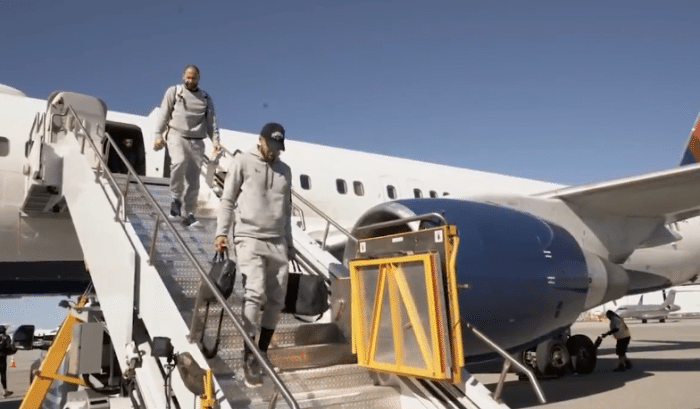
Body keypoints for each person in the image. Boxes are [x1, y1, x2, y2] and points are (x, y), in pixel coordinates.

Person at [214, 122, 294, 386]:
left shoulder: (285, 171)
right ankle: (248, 354)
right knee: (255, 292)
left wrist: (290, 243)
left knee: (277, 299)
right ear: (260, 140)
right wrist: (221, 233)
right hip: (248, 236)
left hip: (277, 240)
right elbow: (228, 199)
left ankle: (262, 351)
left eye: (278, 147)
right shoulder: (242, 162)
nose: (274, 152)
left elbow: (286, 210)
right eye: (271, 146)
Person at [153, 64, 221, 227]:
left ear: (199, 79)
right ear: (183, 76)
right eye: (188, 77)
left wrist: (215, 140)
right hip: (177, 135)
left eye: (193, 78)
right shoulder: (174, 92)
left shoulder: (205, 98)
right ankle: (176, 201)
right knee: (178, 162)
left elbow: (211, 121)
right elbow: (164, 114)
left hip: (197, 140)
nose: (190, 80)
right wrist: (158, 134)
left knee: (194, 179)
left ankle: (190, 213)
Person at [0, 326, 13, 397]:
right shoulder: (6, 337)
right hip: (2, 357)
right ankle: (5, 391)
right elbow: (9, 346)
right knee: (3, 374)